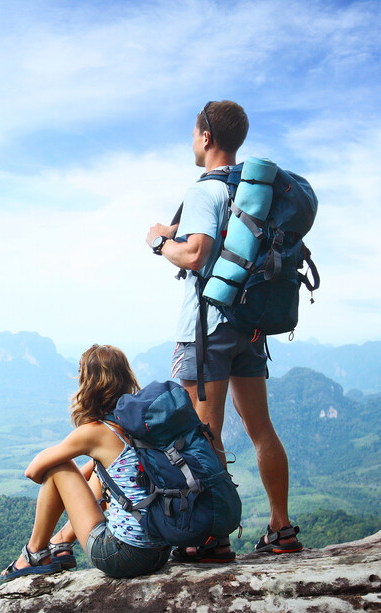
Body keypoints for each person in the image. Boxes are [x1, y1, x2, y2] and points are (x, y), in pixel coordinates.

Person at [144, 100, 303, 562]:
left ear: (206, 136)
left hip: (207, 328)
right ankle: (281, 528)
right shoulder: (252, 192)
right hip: (251, 327)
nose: (192, 141)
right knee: (261, 430)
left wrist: (159, 241)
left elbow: (195, 255)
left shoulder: (204, 191)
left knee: (202, 433)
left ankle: (211, 537)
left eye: (194, 133)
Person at [0, 344, 170, 581]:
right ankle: (60, 543)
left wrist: (61, 478)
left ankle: (34, 552)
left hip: (123, 556)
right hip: (159, 552)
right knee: (97, 470)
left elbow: (33, 471)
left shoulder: (96, 432)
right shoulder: (138, 425)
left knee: (60, 466)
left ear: (89, 384)